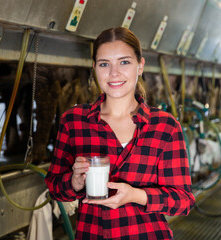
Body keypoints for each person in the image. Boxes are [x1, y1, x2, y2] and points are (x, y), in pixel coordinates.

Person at [44, 27, 195, 239]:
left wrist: (137, 195)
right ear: (94, 67)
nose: (114, 73)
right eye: (105, 64)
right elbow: (54, 188)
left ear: (140, 66)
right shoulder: (74, 121)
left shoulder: (165, 126)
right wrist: (74, 182)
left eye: (124, 62)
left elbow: (183, 201)